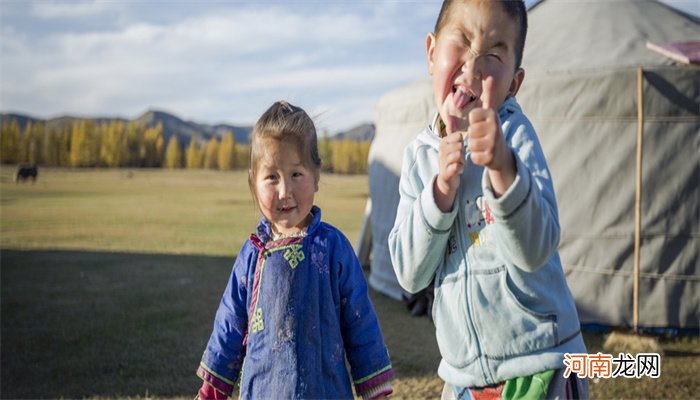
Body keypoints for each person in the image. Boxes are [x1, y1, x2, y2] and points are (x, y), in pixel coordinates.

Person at [388, 1, 588, 398]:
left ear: (514, 83)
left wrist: (501, 168)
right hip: (462, 377)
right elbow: (410, 274)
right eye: (461, 41)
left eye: (494, 54)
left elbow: (535, 249)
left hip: (538, 366)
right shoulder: (418, 157)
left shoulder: (514, 137)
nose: (473, 66)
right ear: (431, 53)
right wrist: (439, 192)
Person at [196, 101, 394, 399]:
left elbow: (360, 322)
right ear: (254, 183)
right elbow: (229, 326)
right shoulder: (252, 254)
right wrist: (212, 390)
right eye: (271, 177)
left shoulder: (333, 248)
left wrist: (374, 390)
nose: (284, 191)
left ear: (316, 175)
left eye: (296, 174)